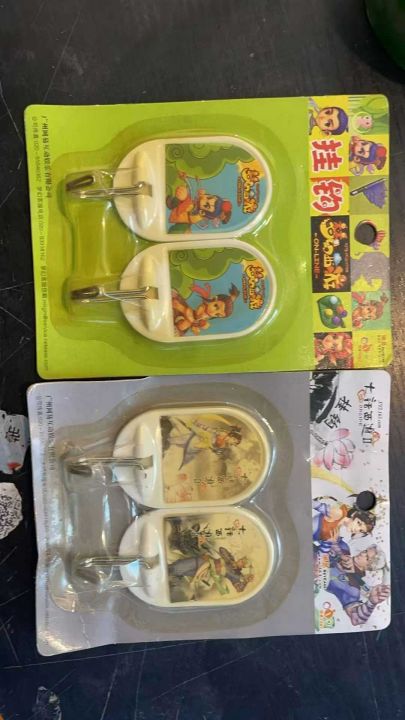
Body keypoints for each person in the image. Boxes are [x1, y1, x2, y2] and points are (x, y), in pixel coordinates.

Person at [323, 542, 390, 626]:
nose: (362, 554)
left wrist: (371, 603)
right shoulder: (343, 547)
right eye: (365, 551)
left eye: (367, 557)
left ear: (368, 567)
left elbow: (356, 619)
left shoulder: (352, 588)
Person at [168, 546, 254, 599]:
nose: (240, 561)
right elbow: (222, 549)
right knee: (177, 567)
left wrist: (245, 581)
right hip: (202, 562)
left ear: (243, 566)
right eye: (241, 560)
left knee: (178, 571)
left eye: (243, 563)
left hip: (206, 574)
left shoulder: (237, 575)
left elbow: (239, 589)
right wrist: (230, 560)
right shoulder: (230, 558)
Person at [166, 171, 232, 232]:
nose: (204, 198)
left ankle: (172, 204)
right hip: (189, 205)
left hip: (186, 213)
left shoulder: (206, 215)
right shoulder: (205, 201)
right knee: (184, 195)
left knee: (185, 199)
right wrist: (188, 180)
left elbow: (199, 216)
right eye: (209, 197)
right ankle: (173, 202)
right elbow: (197, 193)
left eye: (207, 205)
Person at [172, 283, 240, 336]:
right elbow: (196, 314)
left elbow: (204, 326)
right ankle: (177, 306)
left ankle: (177, 323)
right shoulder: (203, 307)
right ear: (214, 299)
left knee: (184, 325)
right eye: (215, 306)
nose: (213, 312)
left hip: (187, 321)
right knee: (185, 312)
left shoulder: (206, 318)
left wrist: (199, 325)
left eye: (217, 314)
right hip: (187, 314)